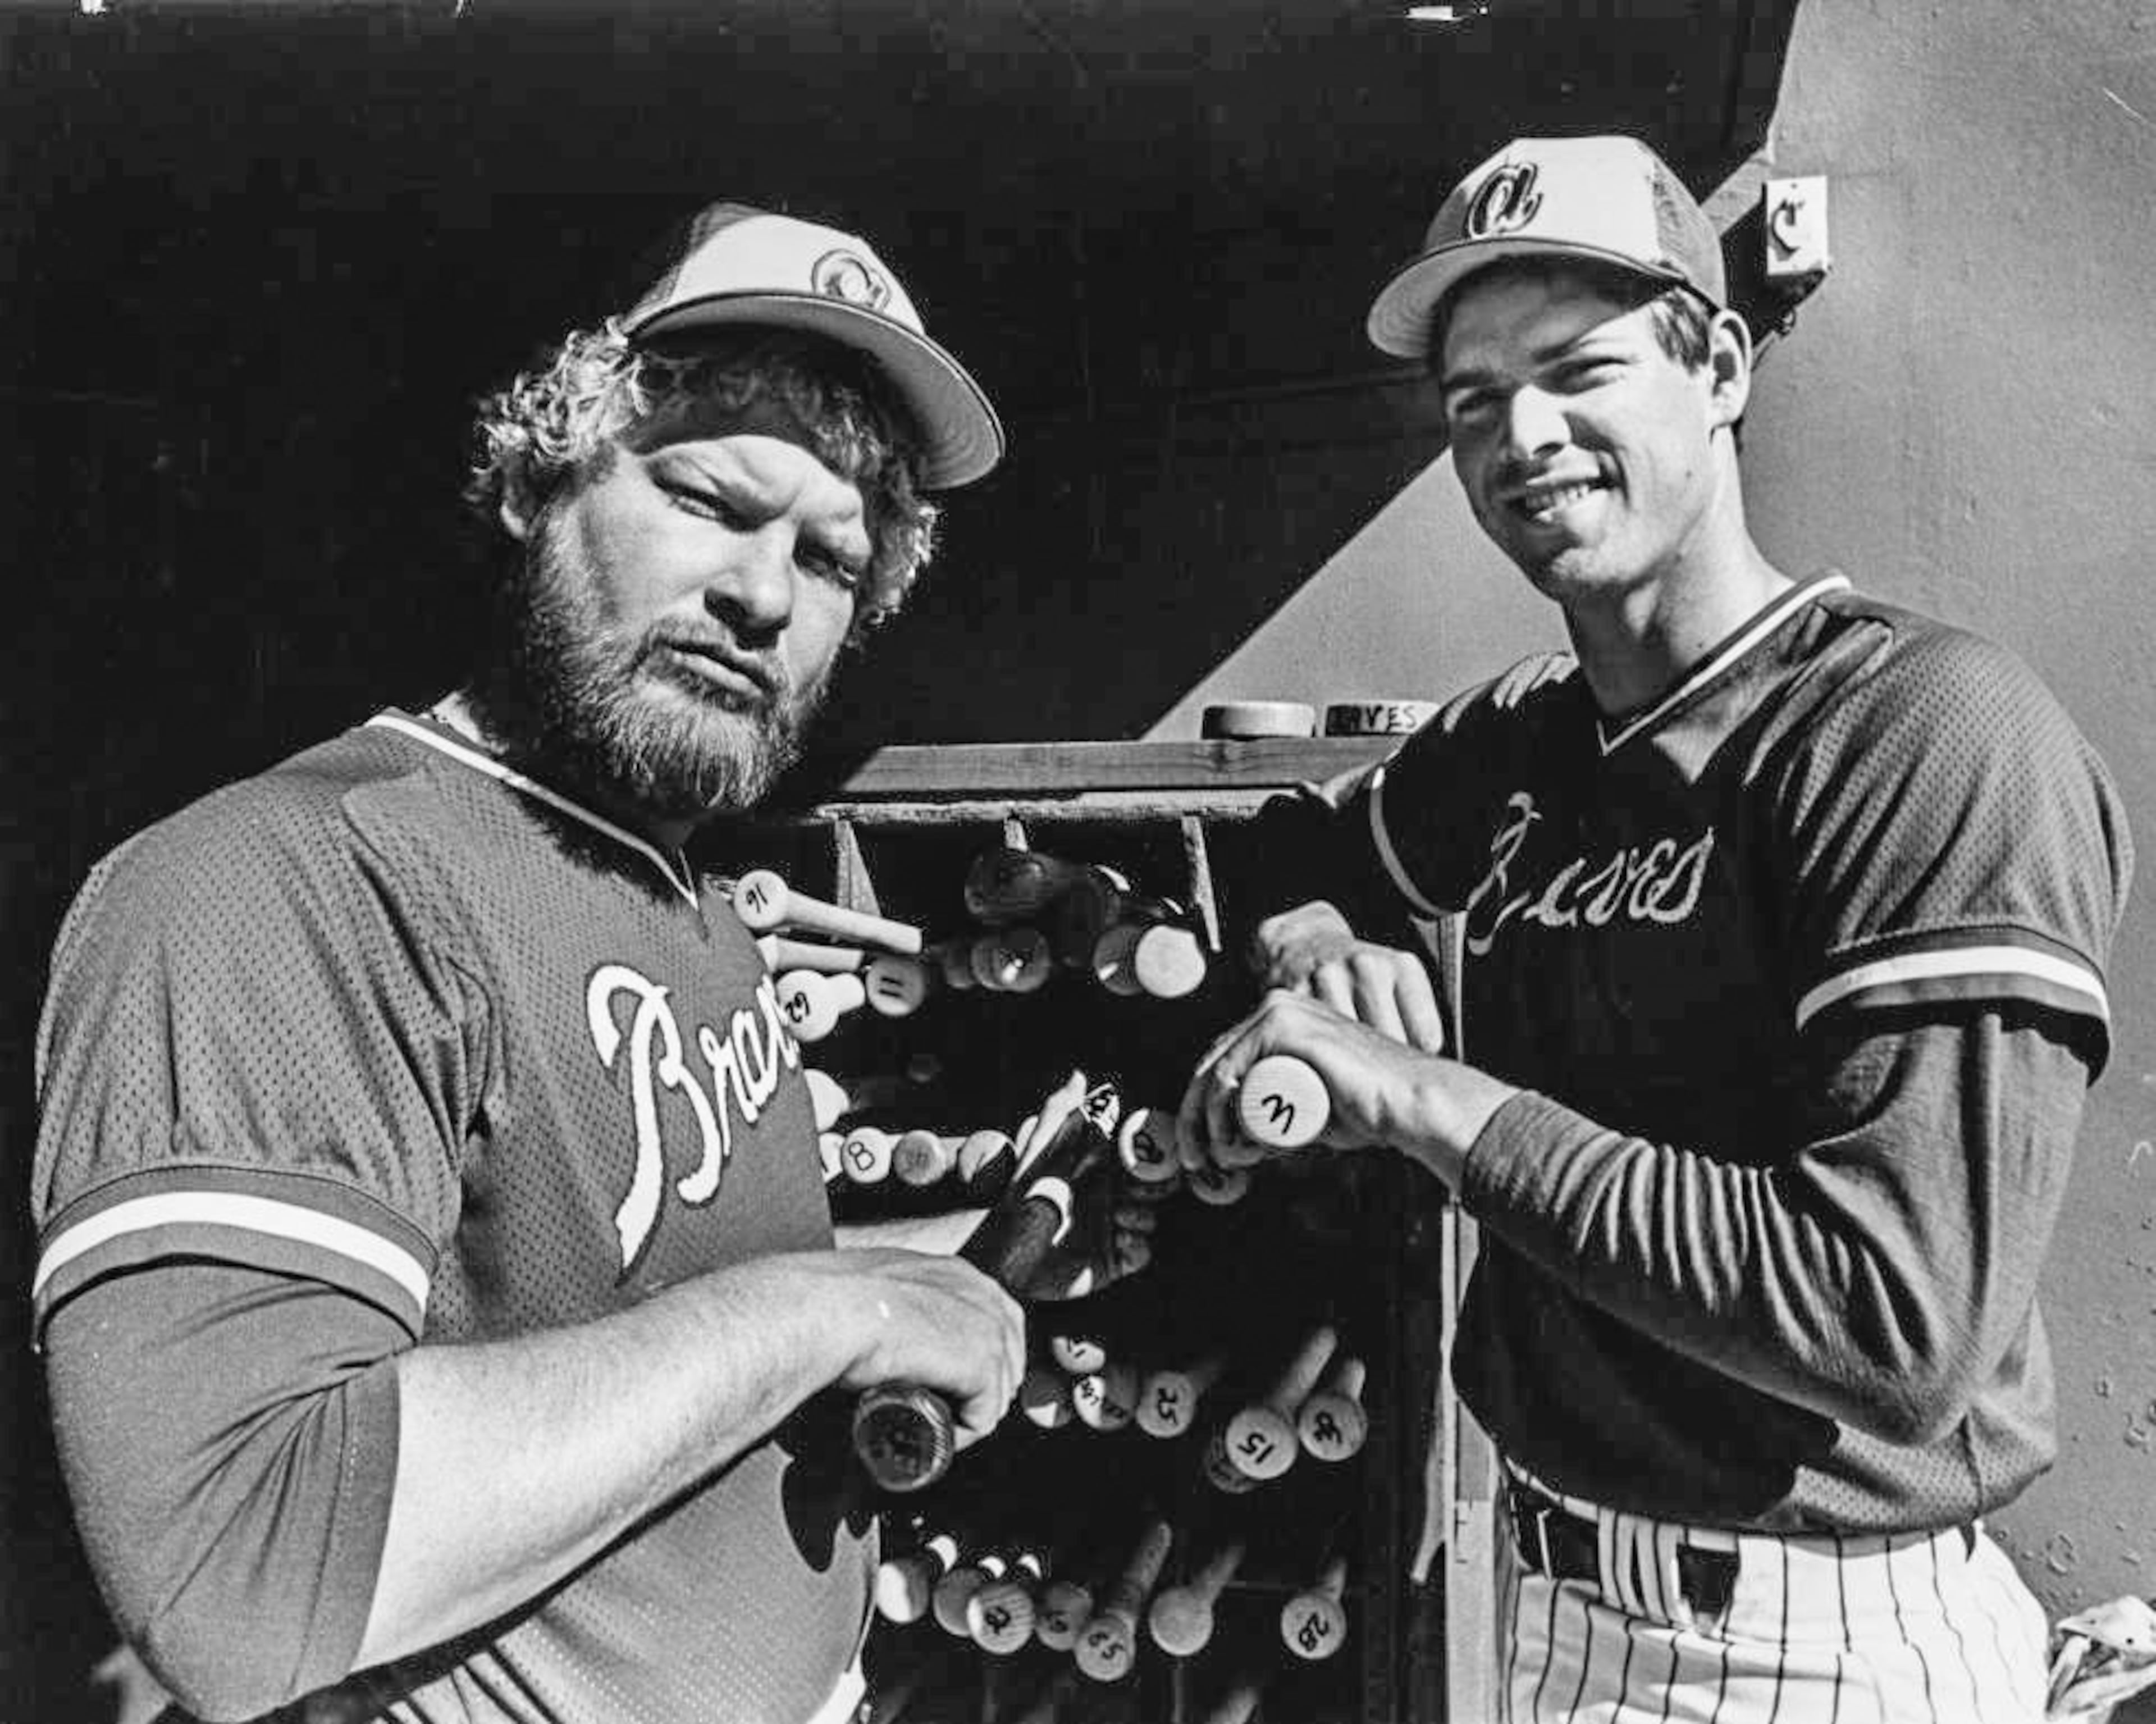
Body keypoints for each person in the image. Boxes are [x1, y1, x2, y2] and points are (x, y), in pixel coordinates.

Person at [28, 203, 1078, 1724]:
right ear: (540, 476)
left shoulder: (684, 887)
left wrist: (942, 1261)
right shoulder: (280, 878)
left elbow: (637, 1296)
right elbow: (236, 1568)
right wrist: (832, 1313)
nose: (765, 597)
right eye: (709, 498)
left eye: (831, 559)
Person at [1180, 134, 2132, 1723]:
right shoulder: (1526, 739)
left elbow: (1889, 1321)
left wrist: (1423, 1099)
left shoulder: (1923, 732)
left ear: (1720, 368)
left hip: (1817, 1640)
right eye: (1475, 400)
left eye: (1579, 370)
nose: (1523, 436)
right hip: (1551, 1611)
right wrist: (1318, 946)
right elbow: (1288, 848)